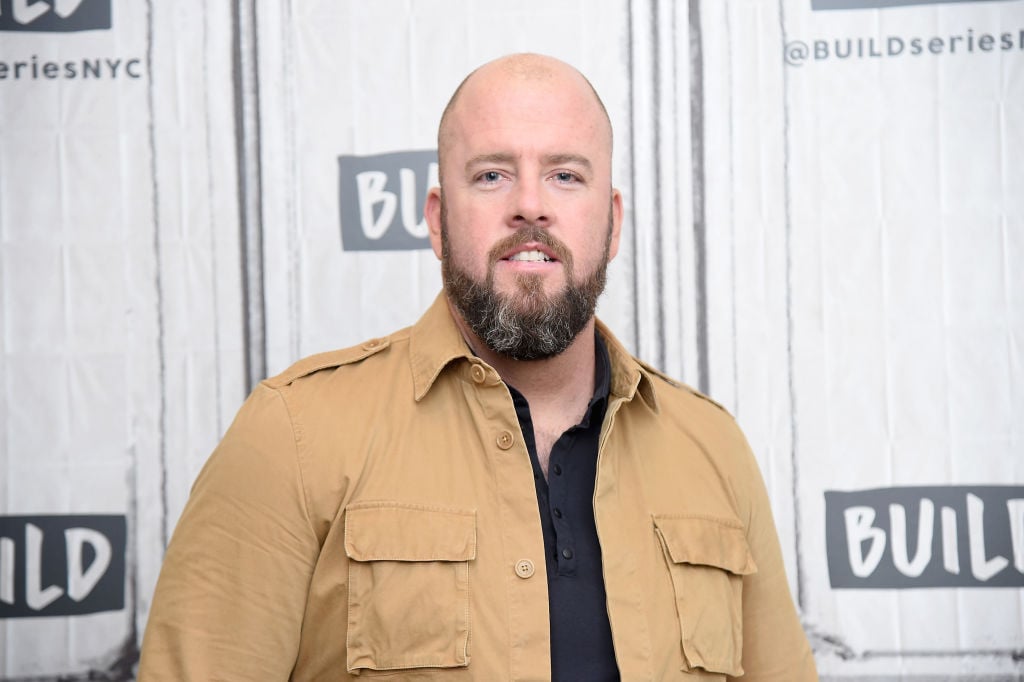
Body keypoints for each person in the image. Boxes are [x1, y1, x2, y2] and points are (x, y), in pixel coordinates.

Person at [139, 53, 818, 681]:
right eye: (491, 174)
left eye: (565, 175)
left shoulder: (714, 449)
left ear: (611, 224)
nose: (529, 204)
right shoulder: (291, 435)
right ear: (437, 220)